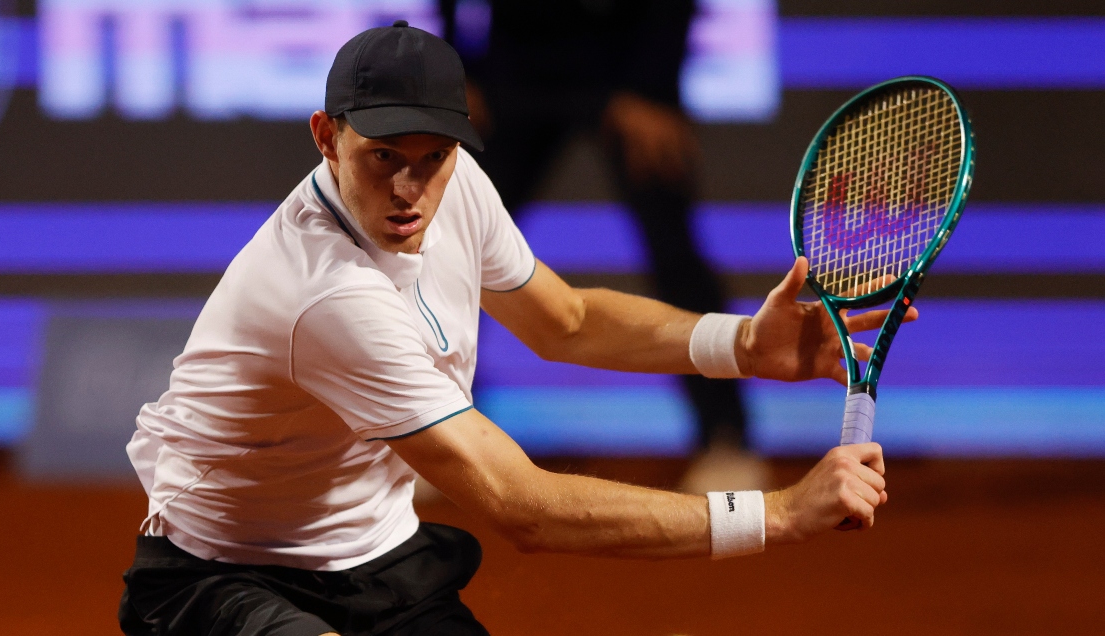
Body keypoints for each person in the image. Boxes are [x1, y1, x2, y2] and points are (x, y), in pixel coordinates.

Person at [118, 22, 900, 636]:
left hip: (377, 555)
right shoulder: (326, 297)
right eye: (381, 156)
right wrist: (780, 513)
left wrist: (740, 346)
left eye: (432, 157)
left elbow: (569, 321)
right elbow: (525, 506)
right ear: (326, 135)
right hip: (224, 577)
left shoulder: (453, 189)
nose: (408, 189)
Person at [437, 0, 760, 492]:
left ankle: (726, 438)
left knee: (674, 255)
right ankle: (434, 434)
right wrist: (456, 68)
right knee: (451, 247)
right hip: (514, 68)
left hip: (627, 65)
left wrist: (650, 86)